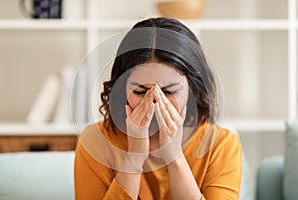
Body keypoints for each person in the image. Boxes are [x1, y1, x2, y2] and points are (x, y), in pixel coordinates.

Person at [74, 17, 242, 200]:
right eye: (140, 91)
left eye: (169, 91)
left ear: (193, 89)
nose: (154, 102)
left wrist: (175, 157)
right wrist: (134, 158)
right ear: (121, 88)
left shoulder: (221, 145)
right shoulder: (95, 142)